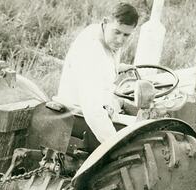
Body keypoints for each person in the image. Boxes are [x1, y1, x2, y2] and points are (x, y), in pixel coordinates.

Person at [56, 3, 139, 144]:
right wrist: (113, 145)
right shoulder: (91, 48)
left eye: (126, 35)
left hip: (100, 107)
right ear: (106, 22)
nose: (120, 40)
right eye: (117, 32)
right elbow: (93, 110)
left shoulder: (104, 35)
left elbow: (101, 67)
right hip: (77, 116)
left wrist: (118, 67)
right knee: (142, 133)